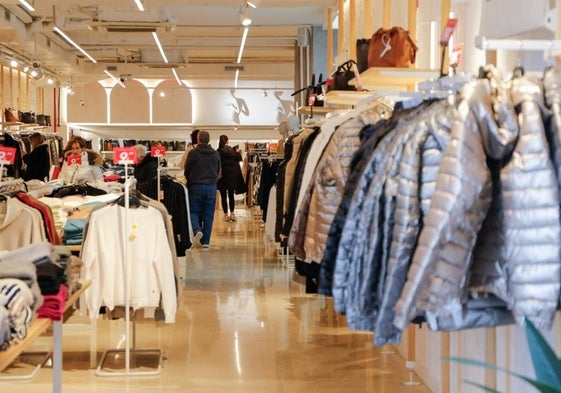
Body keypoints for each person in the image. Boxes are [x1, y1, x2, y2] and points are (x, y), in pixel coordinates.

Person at [184, 130, 220, 249]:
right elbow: (219, 170)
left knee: (193, 211)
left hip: (195, 186)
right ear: (209, 140)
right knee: (209, 214)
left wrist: (191, 178)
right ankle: (206, 241)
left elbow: (187, 170)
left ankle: (197, 229)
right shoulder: (215, 154)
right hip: (211, 186)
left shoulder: (193, 153)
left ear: (198, 140)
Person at [217, 134, 245, 222]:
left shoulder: (218, 151)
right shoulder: (233, 150)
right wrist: (237, 151)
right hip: (232, 177)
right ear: (227, 141)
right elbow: (240, 159)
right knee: (231, 196)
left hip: (222, 178)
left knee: (223, 197)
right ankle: (232, 214)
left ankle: (225, 215)